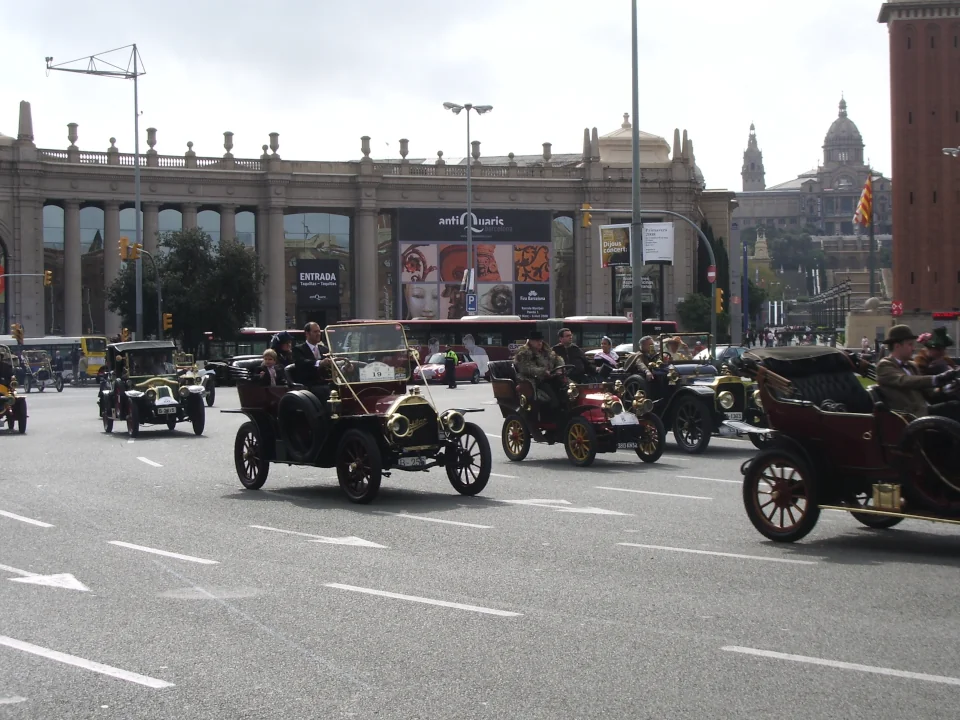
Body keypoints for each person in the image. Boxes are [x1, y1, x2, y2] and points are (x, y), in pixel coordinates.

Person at [875, 324, 960, 420]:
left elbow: (929, 392)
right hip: (908, 418)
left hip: (924, 412)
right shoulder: (885, 365)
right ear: (897, 346)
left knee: (955, 404)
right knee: (954, 408)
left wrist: (946, 389)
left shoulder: (912, 365)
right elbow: (904, 380)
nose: (913, 348)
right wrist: (936, 379)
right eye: (910, 344)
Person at [514, 330, 564, 411]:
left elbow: (558, 359)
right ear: (530, 341)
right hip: (534, 380)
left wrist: (559, 368)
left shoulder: (546, 351)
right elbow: (526, 368)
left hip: (550, 377)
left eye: (541, 341)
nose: (540, 343)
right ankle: (552, 412)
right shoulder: (524, 353)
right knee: (553, 399)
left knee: (564, 388)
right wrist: (543, 372)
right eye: (537, 341)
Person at [293, 322, 337, 406]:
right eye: (315, 332)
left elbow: (332, 364)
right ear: (307, 333)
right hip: (310, 384)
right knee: (325, 391)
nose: (318, 334)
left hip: (326, 382)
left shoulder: (325, 349)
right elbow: (302, 363)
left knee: (341, 387)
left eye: (319, 331)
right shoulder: (298, 349)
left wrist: (344, 367)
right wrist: (319, 363)